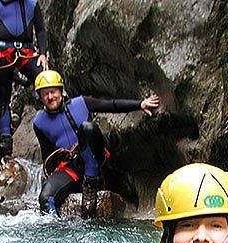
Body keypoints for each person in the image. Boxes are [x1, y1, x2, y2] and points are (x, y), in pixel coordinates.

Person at [32, 70, 160, 217]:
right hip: (72, 166)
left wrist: (140, 104)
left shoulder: (81, 103)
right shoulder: (39, 122)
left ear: (61, 90)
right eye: (45, 94)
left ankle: (91, 183)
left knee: (87, 128)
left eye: (53, 91)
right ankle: (54, 234)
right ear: (40, 97)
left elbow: (111, 105)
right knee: (45, 198)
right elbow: (47, 157)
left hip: (95, 157)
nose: (50, 97)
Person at [0, 0, 49, 157]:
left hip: (27, 51)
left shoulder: (33, 4)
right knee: (3, 96)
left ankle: (59, 123)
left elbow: (40, 30)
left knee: (45, 79)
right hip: (3, 51)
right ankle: (5, 139)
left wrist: (43, 53)